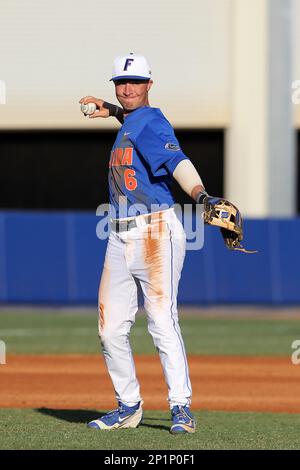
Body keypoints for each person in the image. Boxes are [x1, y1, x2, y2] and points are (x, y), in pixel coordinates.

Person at [79, 53, 208, 434]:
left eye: (135, 82)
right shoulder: (132, 121)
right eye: (121, 82)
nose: (128, 88)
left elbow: (177, 161)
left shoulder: (152, 121)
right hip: (118, 234)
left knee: (161, 320)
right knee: (109, 328)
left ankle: (181, 408)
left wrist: (200, 195)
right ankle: (128, 406)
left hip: (154, 232)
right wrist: (112, 110)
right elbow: (132, 117)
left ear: (149, 84)